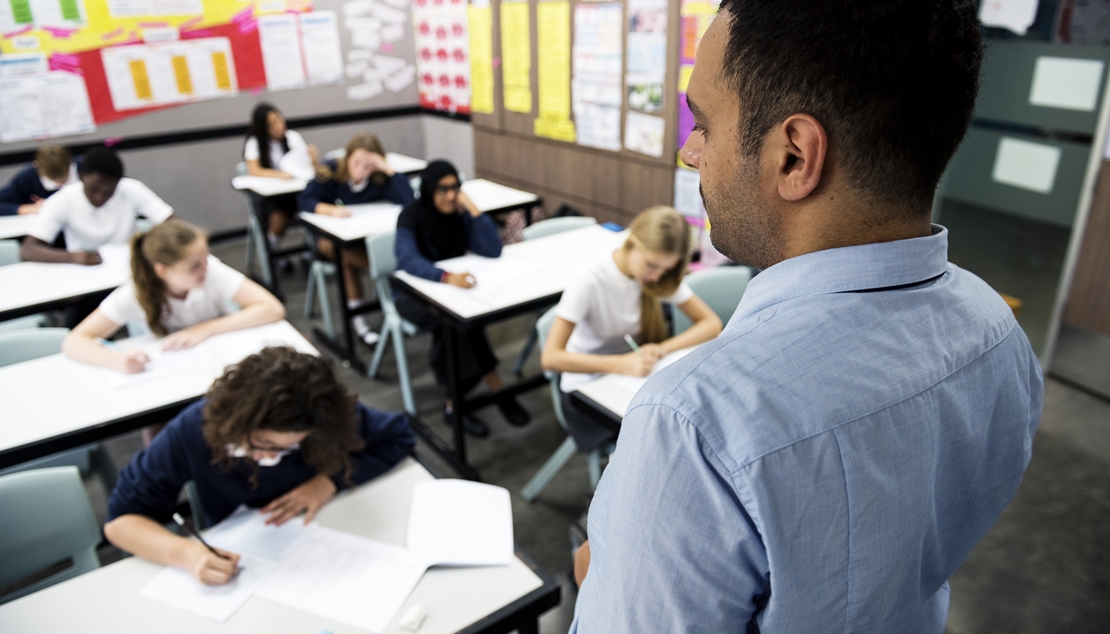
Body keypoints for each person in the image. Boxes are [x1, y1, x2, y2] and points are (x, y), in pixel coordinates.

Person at [571, 2, 1043, 633]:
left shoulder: (696, 424)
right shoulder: (996, 332)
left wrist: (610, 581)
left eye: (704, 124)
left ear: (794, 155)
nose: (690, 152)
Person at [104, 346, 415, 585]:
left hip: (323, 536)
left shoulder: (319, 415)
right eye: (262, 444)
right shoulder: (191, 430)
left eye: (289, 447)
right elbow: (120, 521)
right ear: (236, 423)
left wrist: (328, 481)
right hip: (244, 557)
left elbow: (399, 436)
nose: (271, 457)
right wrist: (186, 553)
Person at [541, 206, 722, 452]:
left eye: (665, 270)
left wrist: (659, 349)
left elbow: (711, 324)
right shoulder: (590, 281)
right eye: (652, 265)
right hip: (586, 389)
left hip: (633, 375)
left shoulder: (654, 276)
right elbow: (551, 358)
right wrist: (620, 364)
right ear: (632, 244)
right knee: (661, 439)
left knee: (681, 426)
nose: (657, 276)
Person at [394, 159, 530, 437]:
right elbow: (407, 258)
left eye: (455, 188)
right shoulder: (411, 215)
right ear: (428, 190)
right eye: (442, 189)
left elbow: (492, 250)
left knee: (463, 320)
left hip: (453, 290)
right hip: (415, 293)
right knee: (455, 325)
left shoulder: (459, 213)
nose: (450, 195)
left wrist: (473, 210)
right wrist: (445, 277)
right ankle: (476, 394)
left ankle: (459, 399)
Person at [62, 218, 285, 374]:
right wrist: (115, 360)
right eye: (195, 266)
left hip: (218, 358)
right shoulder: (135, 293)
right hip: (171, 367)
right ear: (162, 271)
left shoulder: (209, 271)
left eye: (206, 257)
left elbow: (272, 308)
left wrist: (203, 329)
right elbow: (74, 341)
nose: (205, 268)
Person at [298, 133, 416, 345]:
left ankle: (388, 280)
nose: (361, 170)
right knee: (345, 259)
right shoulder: (330, 170)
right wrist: (330, 210)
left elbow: (410, 202)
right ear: (347, 157)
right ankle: (362, 320)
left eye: (369, 165)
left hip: (363, 236)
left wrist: (387, 170)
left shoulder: (379, 178)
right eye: (357, 162)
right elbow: (304, 200)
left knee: (395, 243)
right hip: (331, 239)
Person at [21, 146, 172, 264]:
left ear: (119, 183)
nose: (101, 196)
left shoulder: (131, 188)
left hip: (129, 269)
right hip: (84, 273)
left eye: (109, 191)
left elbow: (173, 222)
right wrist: (74, 257)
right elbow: (28, 250)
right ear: (81, 178)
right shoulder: (61, 200)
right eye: (94, 189)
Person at [243, 102, 317, 254]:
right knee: (279, 219)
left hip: (295, 191)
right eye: (271, 124)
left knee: (314, 207)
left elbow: (307, 167)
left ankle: (312, 250)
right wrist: (278, 174)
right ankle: (270, 252)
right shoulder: (255, 142)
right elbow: (254, 170)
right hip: (273, 197)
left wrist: (313, 159)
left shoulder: (293, 137)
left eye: (279, 120)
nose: (277, 126)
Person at [0, 144, 76, 216]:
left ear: (71, 161)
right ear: (36, 165)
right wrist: (29, 208)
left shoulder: (84, 169)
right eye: (53, 182)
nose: (59, 184)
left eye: (64, 180)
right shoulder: (29, 176)